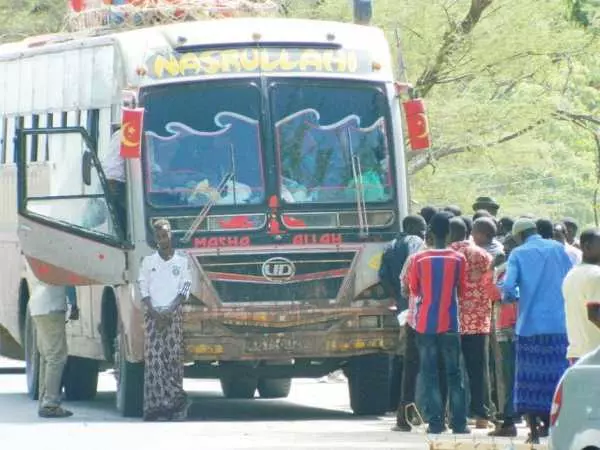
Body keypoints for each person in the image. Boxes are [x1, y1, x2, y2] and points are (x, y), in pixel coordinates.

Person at [501, 218, 572, 444]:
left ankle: (532, 432)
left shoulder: (518, 254)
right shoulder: (559, 249)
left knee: (529, 381)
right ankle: (555, 428)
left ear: (519, 236)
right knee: (557, 378)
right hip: (559, 326)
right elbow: (569, 279)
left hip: (529, 326)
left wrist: (516, 297)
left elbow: (509, 289)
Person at [406, 212, 469, 434]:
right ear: (450, 233)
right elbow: (462, 289)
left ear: (429, 233)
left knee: (430, 374)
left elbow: (414, 290)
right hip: (451, 323)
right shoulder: (458, 258)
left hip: (425, 325)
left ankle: (435, 423)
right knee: (455, 375)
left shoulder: (418, 259)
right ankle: (459, 424)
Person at [138, 219, 192, 421]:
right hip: (153, 315)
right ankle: (156, 407)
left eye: (166, 234)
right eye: (159, 236)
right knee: (154, 361)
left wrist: (169, 311)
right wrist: (154, 312)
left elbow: (185, 287)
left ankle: (173, 407)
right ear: (155, 239)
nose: (163, 239)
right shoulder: (148, 261)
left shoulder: (182, 261)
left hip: (173, 315)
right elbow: (143, 288)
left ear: (171, 235)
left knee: (172, 360)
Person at [449, 218, 494, 429]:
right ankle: (481, 415)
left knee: (453, 370)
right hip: (478, 321)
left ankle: (455, 414)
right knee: (478, 370)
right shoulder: (484, 255)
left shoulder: (447, 255)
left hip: (451, 321)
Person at [379, 215, 426, 412]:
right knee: (416, 353)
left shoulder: (390, 245)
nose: (424, 231)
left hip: (401, 304)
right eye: (421, 227)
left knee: (401, 353)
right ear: (413, 227)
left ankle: (393, 401)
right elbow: (418, 269)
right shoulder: (415, 243)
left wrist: (397, 297)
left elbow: (382, 276)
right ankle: (412, 403)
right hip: (416, 303)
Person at [29, 284, 78, 418]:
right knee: (56, 357)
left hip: (38, 304)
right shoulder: (64, 262)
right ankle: (50, 404)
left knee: (47, 357)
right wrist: (73, 303)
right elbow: (68, 281)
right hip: (52, 306)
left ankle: (44, 402)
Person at [488, 234, 519, 437]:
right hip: (508, 326)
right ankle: (512, 414)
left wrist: (493, 271)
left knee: (509, 373)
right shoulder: (504, 268)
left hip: (511, 326)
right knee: (510, 373)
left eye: (509, 246)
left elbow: (496, 294)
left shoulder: (507, 269)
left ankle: (510, 416)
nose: (505, 251)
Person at [562, 228, 600, 365]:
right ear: (587, 247)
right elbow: (595, 314)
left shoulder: (572, 274)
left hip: (577, 354)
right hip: (595, 356)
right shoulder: (596, 275)